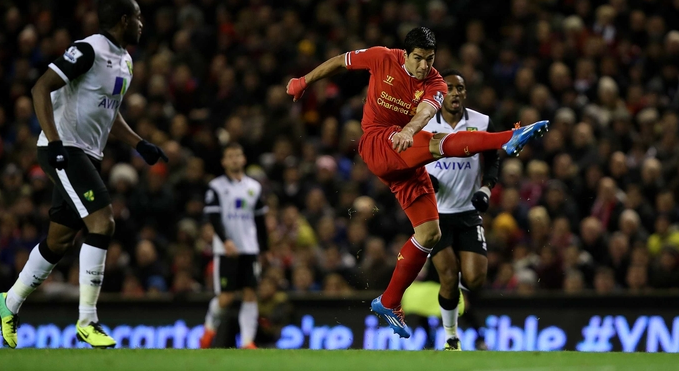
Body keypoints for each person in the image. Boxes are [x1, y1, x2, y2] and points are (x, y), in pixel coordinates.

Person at [286, 27, 549, 338]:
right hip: (378, 142)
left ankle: (389, 300)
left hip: (403, 150)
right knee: (441, 142)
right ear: (406, 54)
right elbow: (339, 62)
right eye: (419, 59)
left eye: (430, 59)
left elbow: (425, 111)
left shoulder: (436, 82)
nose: (425, 66)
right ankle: (508, 138)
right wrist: (304, 81)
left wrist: (409, 130)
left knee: (429, 233)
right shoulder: (382, 57)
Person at [0, 0, 167, 349]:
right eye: (137, 17)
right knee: (103, 222)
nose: (141, 24)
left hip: (88, 153)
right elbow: (41, 87)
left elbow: (108, 112)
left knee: (58, 241)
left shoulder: (125, 61)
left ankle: (7, 303)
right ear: (122, 20)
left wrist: (138, 143)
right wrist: (55, 142)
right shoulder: (88, 50)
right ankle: (88, 320)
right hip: (64, 148)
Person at [424, 70, 499, 351]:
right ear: (441, 93)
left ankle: (456, 300)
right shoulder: (425, 122)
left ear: (466, 93)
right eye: (450, 88)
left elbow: (492, 160)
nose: (455, 93)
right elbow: (408, 159)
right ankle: (451, 336)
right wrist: (423, 181)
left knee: (475, 279)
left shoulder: (481, 122)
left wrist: (486, 189)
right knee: (447, 275)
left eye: (460, 88)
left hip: (468, 212)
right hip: (435, 215)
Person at [199, 143, 269, 349]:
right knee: (226, 297)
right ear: (224, 162)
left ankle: (247, 341)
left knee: (249, 293)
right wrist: (226, 241)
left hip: (250, 248)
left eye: (238, 155)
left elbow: (260, 221)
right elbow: (213, 217)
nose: (235, 159)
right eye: (230, 156)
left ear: (244, 159)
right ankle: (210, 326)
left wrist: (264, 249)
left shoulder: (254, 187)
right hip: (226, 250)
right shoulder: (216, 187)